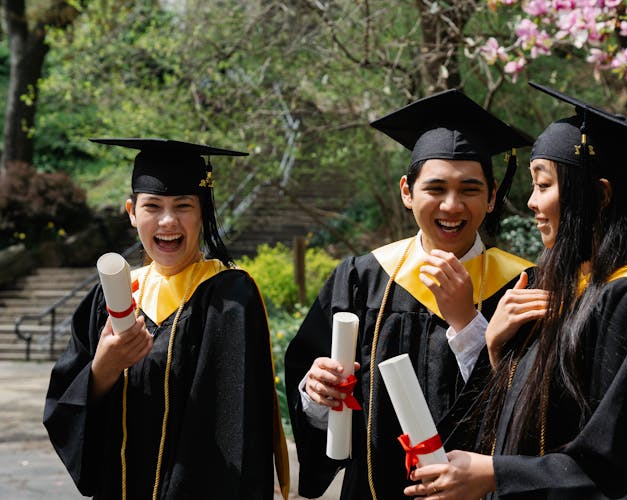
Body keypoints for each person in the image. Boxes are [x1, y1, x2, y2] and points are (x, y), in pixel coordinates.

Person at [404, 83, 627, 499]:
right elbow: (547, 421)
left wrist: (497, 474)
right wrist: (497, 349)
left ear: (599, 194)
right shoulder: (568, 288)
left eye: (544, 185)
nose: (532, 203)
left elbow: (621, 461)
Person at [284, 89, 535, 500]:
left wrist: (469, 324)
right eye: (435, 188)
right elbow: (318, 402)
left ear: (492, 197)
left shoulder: (524, 284)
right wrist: (316, 395)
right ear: (407, 191)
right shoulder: (360, 278)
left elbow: (532, 411)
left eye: (469, 190)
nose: (451, 206)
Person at [43, 138, 289, 499]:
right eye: (152, 206)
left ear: (203, 210)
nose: (168, 220)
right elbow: (65, 412)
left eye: (183, 206)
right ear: (131, 211)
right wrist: (103, 369)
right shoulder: (112, 297)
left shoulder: (230, 297)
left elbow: (236, 429)